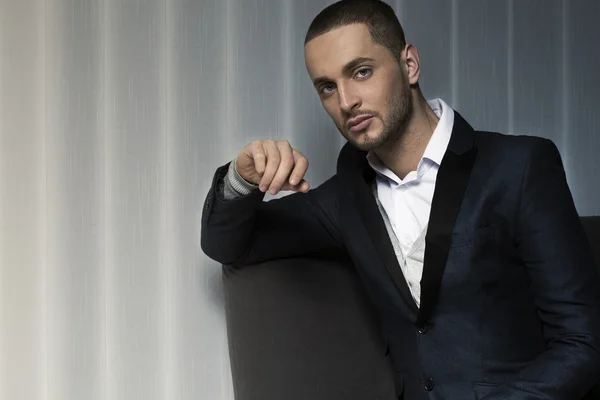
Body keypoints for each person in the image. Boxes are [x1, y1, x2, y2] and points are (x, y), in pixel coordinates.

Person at [201, 0, 600, 398]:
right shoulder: (348, 197)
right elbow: (229, 244)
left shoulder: (519, 167)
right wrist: (242, 177)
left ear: (409, 64)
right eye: (327, 87)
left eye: (361, 72)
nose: (345, 102)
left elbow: (583, 343)